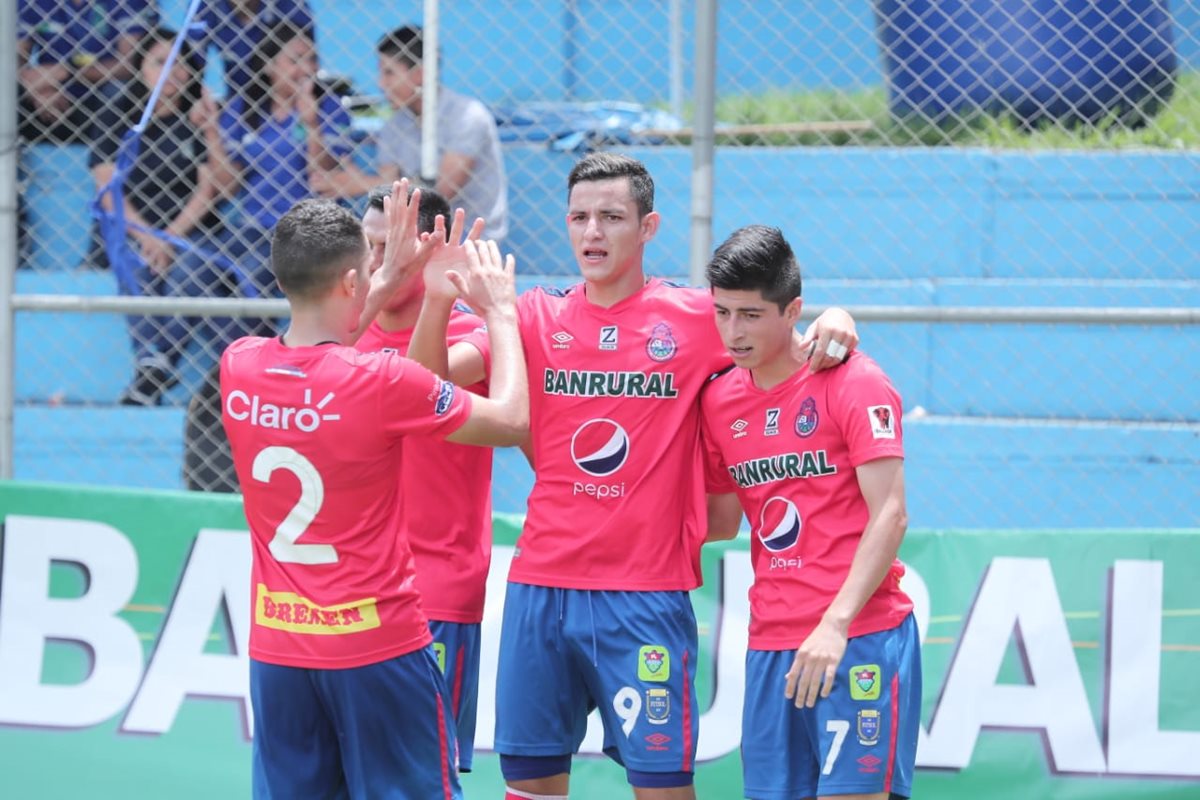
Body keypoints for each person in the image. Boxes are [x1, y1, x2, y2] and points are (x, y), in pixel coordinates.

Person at [407, 152, 858, 800]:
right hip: (540, 585)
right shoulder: (532, 316)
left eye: (612, 217)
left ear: (648, 228)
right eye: (580, 217)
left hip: (644, 596)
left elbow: (789, 334)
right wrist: (436, 300)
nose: (593, 232)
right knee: (529, 784)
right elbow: (428, 389)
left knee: (662, 789)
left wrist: (838, 319)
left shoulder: (697, 318)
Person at [220, 182, 528, 799]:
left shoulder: (239, 364)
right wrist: (501, 313)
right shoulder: (381, 381)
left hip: (279, 647)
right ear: (354, 281)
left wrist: (379, 282)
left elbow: (323, 338)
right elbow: (513, 421)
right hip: (377, 644)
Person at [699, 225, 920, 800]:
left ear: (793, 309)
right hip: (771, 644)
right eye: (721, 312)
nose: (732, 331)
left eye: (749, 314)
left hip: (857, 636)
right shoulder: (719, 399)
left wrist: (835, 624)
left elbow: (891, 514)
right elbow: (721, 521)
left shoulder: (854, 381)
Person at [356, 183, 492, 772]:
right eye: (367, 245)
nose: (373, 263)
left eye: (390, 247)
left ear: (433, 251)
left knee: (423, 773)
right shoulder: (346, 329)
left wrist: (430, 299)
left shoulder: (474, 335)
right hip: (350, 592)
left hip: (434, 591)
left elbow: (412, 390)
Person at [90, 26, 238, 406]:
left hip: (193, 230)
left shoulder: (203, 115)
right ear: (141, 67)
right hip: (134, 229)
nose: (171, 72)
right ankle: (155, 362)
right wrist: (149, 237)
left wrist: (209, 132)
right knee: (134, 261)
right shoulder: (117, 116)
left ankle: (154, 362)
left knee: (190, 269)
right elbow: (109, 191)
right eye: (160, 62)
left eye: (181, 64)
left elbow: (215, 189)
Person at [312, 24, 509, 243]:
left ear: (419, 75)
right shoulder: (394, 124)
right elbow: (386, 189)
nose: (381, 83)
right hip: (413, 235)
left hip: (467, 238)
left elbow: (438, 196)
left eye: (389, 72)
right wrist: (374, 184)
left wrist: (362, 183)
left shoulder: (468, 116)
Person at [218, 19, 353, 305]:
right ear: (269, 66)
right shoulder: (244, 108)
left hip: (307, 227)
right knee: (200, 272)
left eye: (311, 59)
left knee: (251, 274)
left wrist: (311, 124)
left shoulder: (329, 106)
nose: (304, 69)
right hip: (252, 226)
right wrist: (209, 131)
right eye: (294, 59)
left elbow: (323, 175)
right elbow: (225, 184)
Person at [18, 0, 157, 143]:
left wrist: (66, 72)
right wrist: (38, 88)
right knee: (10, 88)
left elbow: (130, 65)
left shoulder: (130, 2)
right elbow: (14, 60)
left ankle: (104, 159)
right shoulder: (33, 3)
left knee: (120, 89)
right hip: (46, 98)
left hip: (100, 99)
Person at [191, 0, 315, 106]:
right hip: (237, 97)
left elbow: (307, 57)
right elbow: (192, 63)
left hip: (283, 98)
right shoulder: (204, 5)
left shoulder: (291, 5)